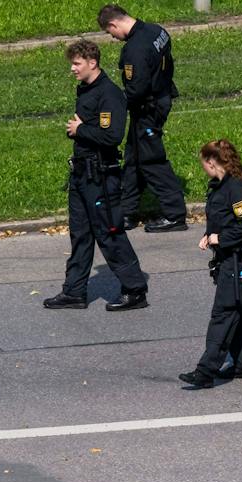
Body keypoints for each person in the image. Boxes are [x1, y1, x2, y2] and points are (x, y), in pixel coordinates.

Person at [44, 39, 149, 312]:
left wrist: (81, 131)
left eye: (76, 63)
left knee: (109, 232)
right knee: (80, 234)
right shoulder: (87, 89)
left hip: (100, 176)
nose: (72, 69)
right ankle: (74, 291)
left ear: (92, 63)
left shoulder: (109, 94)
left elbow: (112, 136)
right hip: (81, 174)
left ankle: (135, 289)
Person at [98, 4, 187, 233]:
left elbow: (135, 90)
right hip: (162, 97)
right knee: (134, 158)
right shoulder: (157, 31)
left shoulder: (134, 50)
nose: (113, 38)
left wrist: (114, 105)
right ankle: (127, 212)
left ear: (113, 24)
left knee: (151, 161)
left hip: (148, 109)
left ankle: (175, 215)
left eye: (110, 33)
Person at [178, 140, 242, 388]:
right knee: (239, 309)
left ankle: (206, 371)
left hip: (237, 257)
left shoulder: (236, 189)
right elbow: (221, 217)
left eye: (203, 163)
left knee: (224, 312)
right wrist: (209, 234)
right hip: (226, 255)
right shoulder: (218, 187)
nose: (203, 168)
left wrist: (221, 238)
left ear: (212, 162)